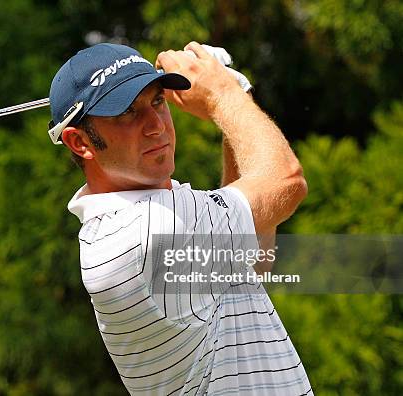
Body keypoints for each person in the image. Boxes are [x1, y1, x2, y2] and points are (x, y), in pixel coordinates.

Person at [48, 42, 313, 395]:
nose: (155, 125)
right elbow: (287, 181)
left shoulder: (145, 219)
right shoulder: (147, 232)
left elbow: (252, 260)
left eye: (157, 100)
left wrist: (235, 93)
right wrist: (223, 95)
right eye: (126, 112)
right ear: (80, 142)